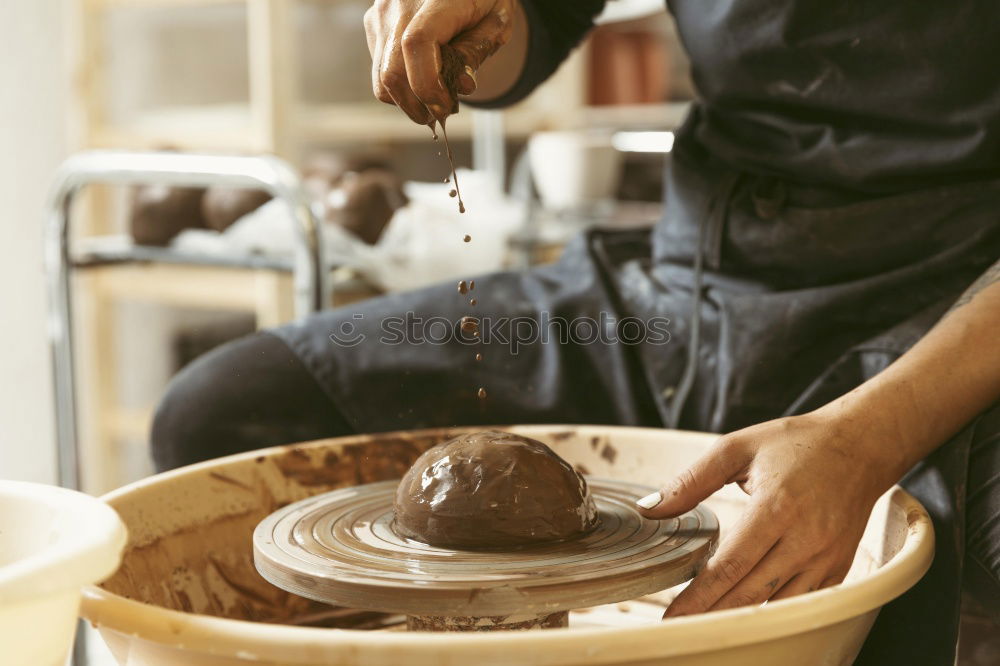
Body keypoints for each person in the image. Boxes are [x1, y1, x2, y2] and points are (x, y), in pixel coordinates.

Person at [151, 1, 1000, 662]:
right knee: (224, 410)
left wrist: (869, 437)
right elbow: (527, 28)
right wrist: (472, 24)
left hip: (950, 304)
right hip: (684, 288)